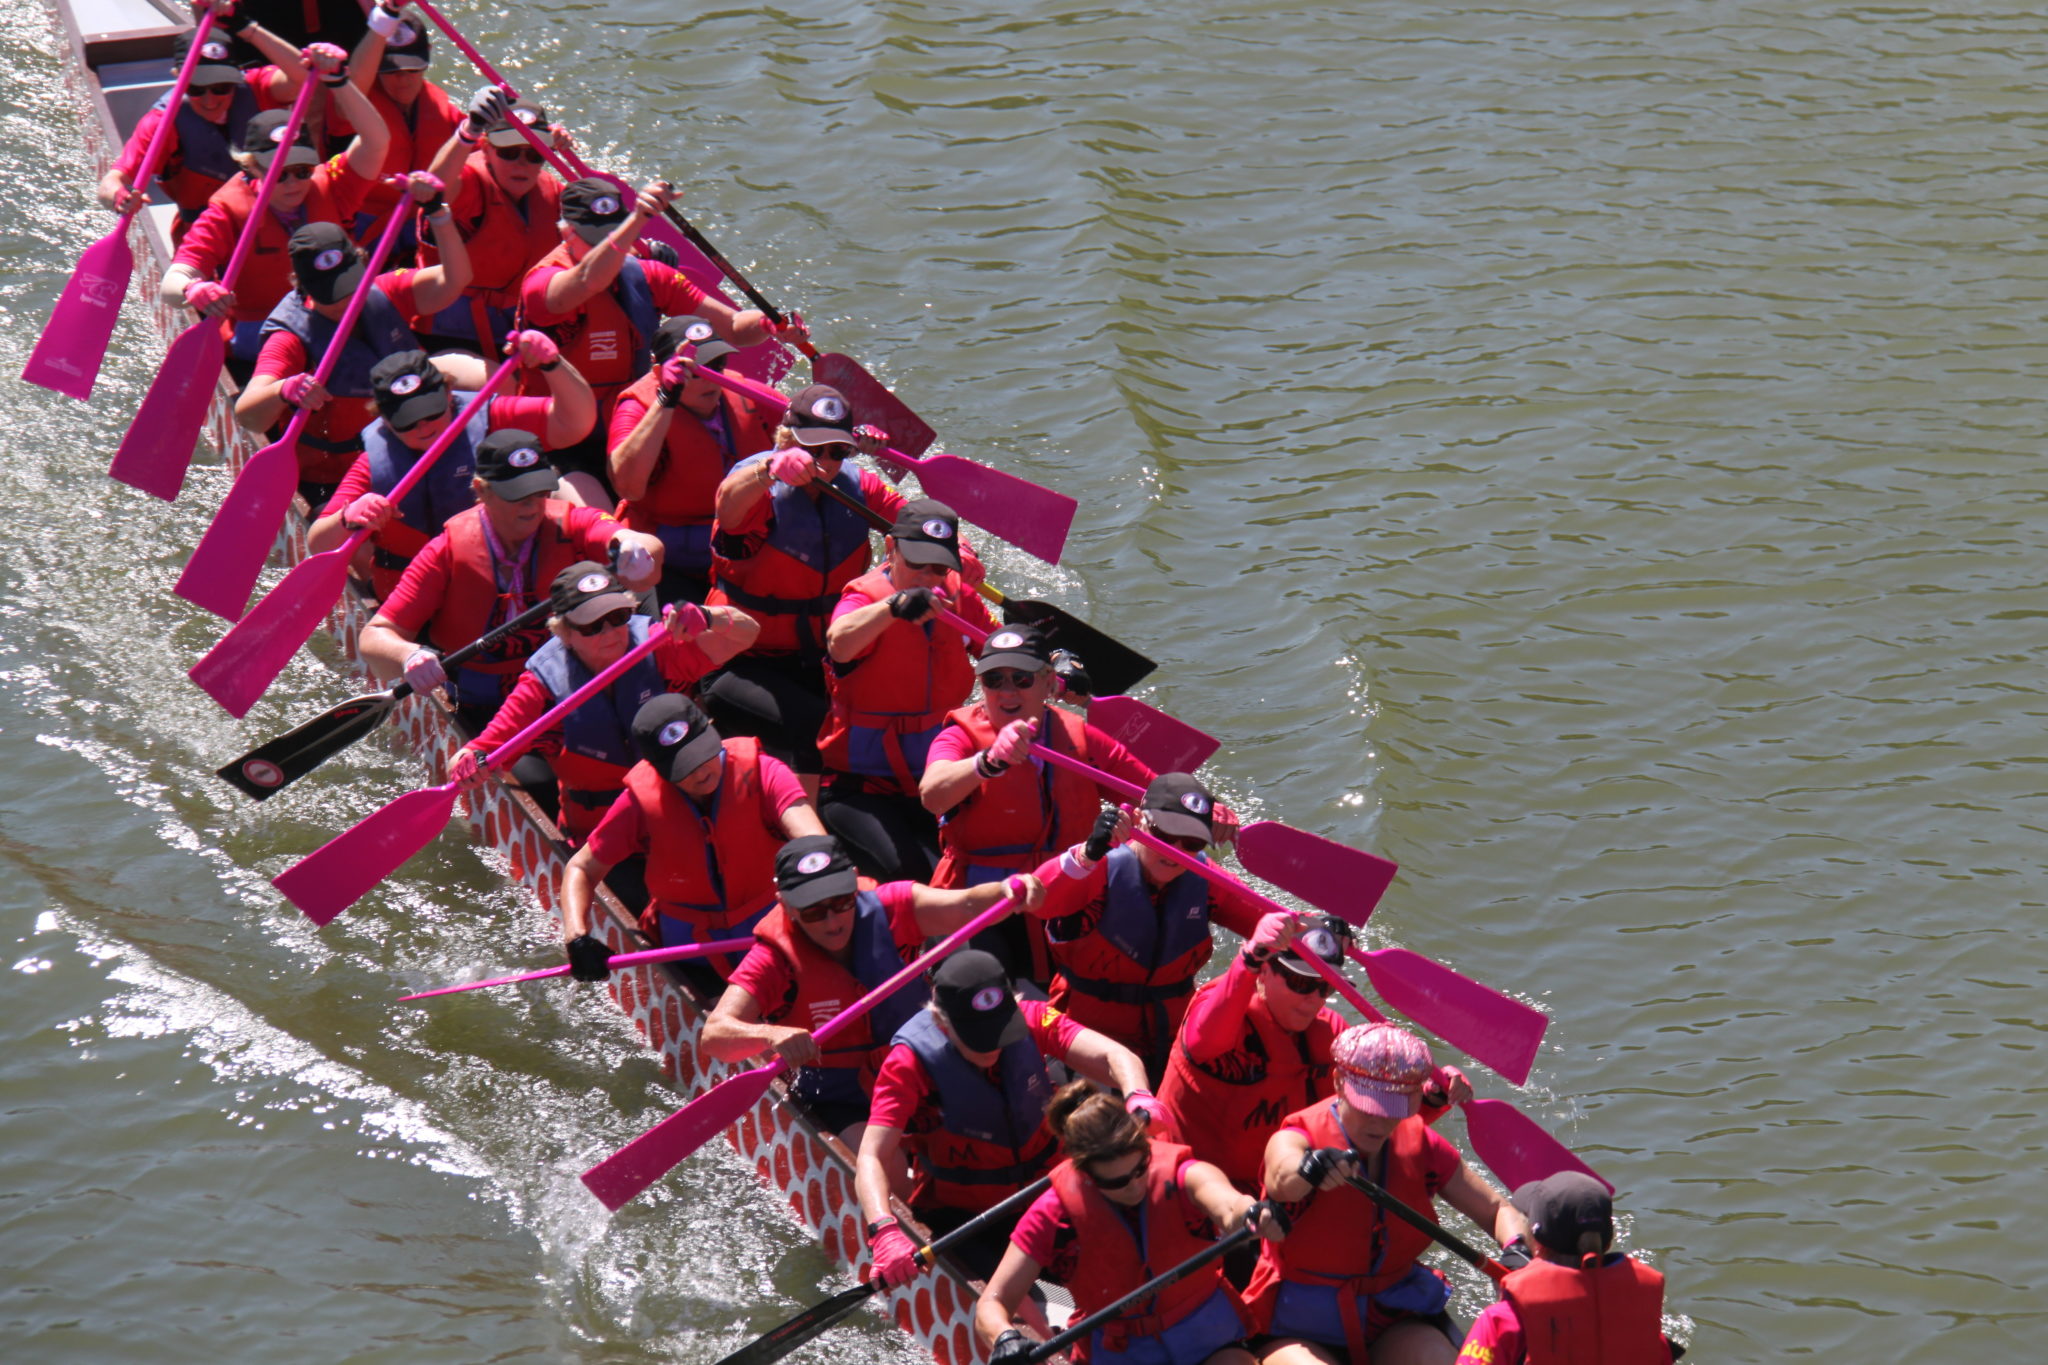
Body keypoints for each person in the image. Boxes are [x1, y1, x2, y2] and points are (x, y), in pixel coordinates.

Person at [702, 835, 1047, 1142]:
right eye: (814, 912)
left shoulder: (895, 905)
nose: (833, 921)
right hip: (840, 1094)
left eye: (842, 902)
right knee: (887, 1164)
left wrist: (1007, 890)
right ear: (787, 905)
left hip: (917, 1069)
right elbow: (714, 1035)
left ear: (854, 884)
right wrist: (769, 1036)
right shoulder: (772, 959)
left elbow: (968, 904)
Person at [856, 948, 1156, 1283]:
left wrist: (1138, 1095)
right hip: (965, 1218)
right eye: (977, 1037)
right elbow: (872, 1156)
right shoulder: (906, 1063)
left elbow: (1115, 1055)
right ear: (940, 1020)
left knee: (1129, 1262)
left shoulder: (1034, 1016)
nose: (992, 1045)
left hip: (1045, 1192)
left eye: (1000, 1029)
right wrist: (883, 1227)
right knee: (1012, 1306)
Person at [1247, 1023, 1528, 1365]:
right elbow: (1281, 1177)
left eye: (1391, 1108)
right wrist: (1311, 1167)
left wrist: (1519, 1253)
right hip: (1296, 1324)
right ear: (1338, 1083)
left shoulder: (1421, 1142)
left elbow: (1498, 1210)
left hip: (1391, 1314)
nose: (1379, 1121)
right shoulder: (1297, 1134)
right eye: (1368, 1105)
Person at [354, 428, 664, 726]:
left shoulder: (572, 524)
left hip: (564, 687)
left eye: (538, 492)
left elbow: (644, 544)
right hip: (480, 701)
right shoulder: (445, 552)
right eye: (517, 495)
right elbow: (374, 637)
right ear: (480, 490)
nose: (532, 505)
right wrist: (408, 654)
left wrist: (633, 548)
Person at [973, 1080, 1289, 1365]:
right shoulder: (1052, 1215)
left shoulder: (1183, 1175)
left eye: (1140, 1169)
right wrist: (1004, 1337)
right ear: (1084, 1172)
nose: (1135, 1186)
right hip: (1122, 1352)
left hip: (1206, 1333)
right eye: (1118, 1181)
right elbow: (993, 1302)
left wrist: (1252, 1213)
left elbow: (1228, 1203)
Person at [701, 384, 917, 789]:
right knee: (814, 723)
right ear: (787, 439)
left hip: (820, 655)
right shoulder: (759, 483)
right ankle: (811, 844)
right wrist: (770, 469)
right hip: (743, 659)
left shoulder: (860, 487)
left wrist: (956, 547)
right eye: (813, 449)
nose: (825, 462)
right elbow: (728, 509)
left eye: (837, 451)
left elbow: (914, 523)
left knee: (890, 713)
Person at [447, 562, 757, 844]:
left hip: (679, 816)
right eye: (593, 625)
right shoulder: (541, 687)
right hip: (600, 838)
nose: (609, 632)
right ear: (565, 632)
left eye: (617, 617)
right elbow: (481, 749)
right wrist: (465, 763)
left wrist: (708, 616)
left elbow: (747, 634)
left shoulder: (658, 643)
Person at [518, 178, 785, 505]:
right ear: (565, 233)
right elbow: (590, 279)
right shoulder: (542, 285)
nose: (611, 251)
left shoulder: (649, 277)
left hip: (624, 423)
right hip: (561, 438)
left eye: (614, 236)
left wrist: (768, 324)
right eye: (596, 240)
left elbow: (732, 326)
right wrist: (637, 221)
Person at [919, 622, 1154, 980]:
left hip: (1064, 891)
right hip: (982, 899)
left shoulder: (1081, 738)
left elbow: (1151, 793)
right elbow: (932, 795)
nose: (1006, 691)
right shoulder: (959, 736)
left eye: (1021, 679)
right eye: (993, 680)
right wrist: (988, 762)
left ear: (1048, 683)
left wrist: (1203, 809)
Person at [557, 694, 826, 998]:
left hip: (767, 939)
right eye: (684, 767)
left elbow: (812, 839)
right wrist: (577, 937)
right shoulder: (638, 803)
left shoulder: (765, 771)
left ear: (712, 731)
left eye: (703, 755)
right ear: (656, 767)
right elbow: (581, 867)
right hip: (690, 952)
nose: (700, 772)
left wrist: (820, 878)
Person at [235, 184, 474, 499]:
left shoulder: (384, 292)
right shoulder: (290, 338)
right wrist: (284, 389)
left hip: (409, 449)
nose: (345, 300)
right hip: (332, 478)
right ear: (302, 287)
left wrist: (439, 214)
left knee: (494, 380)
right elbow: (247, 414)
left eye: (350, 285)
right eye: (330, 293)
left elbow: (456, 279)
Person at [159, 49, 387, 378]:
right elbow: (173, 281)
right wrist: (193, 290)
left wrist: (338, 81)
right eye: (279, 173)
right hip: (261, 326)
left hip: (335, 315)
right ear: (252, 168)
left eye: (301, 170)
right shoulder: (226, 209)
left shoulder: (330, 185)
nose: (293, 182)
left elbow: (377, 141)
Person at [305, 344, 597, 597]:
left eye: (431, 411)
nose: (423, 425)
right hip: (412, 596)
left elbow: (575, 424)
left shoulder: (491, 417)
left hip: (502, 581)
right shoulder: (374, 463)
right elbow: (318, 544)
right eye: (408, 420)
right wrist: (348, 518)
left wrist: (552, 364)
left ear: (448, 394)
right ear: (385, 420)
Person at [1031, 775, 1259, 1083]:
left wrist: (1314, 931)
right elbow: (1039, 899)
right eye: (1163, 834)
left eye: (1191, 842)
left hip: (1171, 1042)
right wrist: (1085, 854)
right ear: (1139, 821)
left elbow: (1265, 920)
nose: (1175, 850)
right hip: (1087, 1044)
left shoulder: (1206, 880)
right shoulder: (1098, 867)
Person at [818, 498, 998, 884]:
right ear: (890, 548)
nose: (928, 576)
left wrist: (1046, 662)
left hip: (935, 781)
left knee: (977, 868)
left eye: (938, 566)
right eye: (917, 562)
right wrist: (894, 607)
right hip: (861, 786)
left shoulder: (958, 595)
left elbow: (999, 650)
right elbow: (839, 642)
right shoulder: (863, 598)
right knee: (912, 874)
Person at [608, 317, 780, 604]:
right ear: (659, 372)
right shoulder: (635, 407)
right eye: (695, 372)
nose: (711, 378)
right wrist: (667, 398)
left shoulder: (743, 393)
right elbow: (628, 487)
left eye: (716, 365)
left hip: (739, 542)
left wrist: (855, 436)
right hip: (668, 556)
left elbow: (807, 422)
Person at [96, 5, 306, 240]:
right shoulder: (162, 123)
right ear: (178, 77)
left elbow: (304, 75)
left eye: (221, 88)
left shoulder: (257, 87)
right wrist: (119, 197)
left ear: (236, 77)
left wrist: (247, 28)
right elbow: (111, 181)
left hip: (279, 219)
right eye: (196, 88)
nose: (209, 100)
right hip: (208, 234)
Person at [1456, 1173, 1676, 1365]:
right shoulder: (1644, 1324)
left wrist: (1511, 1300)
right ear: (1607, 1243)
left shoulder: (1503, 1320)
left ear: (1536, 1242)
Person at [417, 88, 566, 357]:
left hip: (519, 333)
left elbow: (598, 235)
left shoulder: (553, 192)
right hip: (446, 334)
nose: (521, 164)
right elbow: (432, 191)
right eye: (509, 152)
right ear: (486, 149)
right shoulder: (472, 184)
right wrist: (469, 130)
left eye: (533, 155)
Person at [342, 1, 464, 246]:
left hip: (423, 219)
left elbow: (487, 151)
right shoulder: (357, 101)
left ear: (427, 55)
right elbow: (350, 88)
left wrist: (546, 137)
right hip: (365, 224)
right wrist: (386, 15)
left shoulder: (443, 108)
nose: (403, 80)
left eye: (413, 69)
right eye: (391, 71)